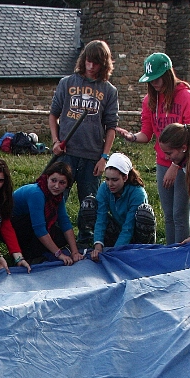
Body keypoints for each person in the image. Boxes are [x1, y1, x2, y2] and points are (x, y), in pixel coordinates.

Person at [116, 53, 190, 244]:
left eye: (157, 78)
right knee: (168, 214)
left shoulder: (187, 98)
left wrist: (176, 166)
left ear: (167, 75)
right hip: (162, 163)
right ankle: (170, 251)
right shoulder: (149, 100)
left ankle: (182, 252)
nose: (154, 83)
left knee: (180, 214)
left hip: (184, 163)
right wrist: (132, 137)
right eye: (150, 80)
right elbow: (146, 134)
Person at [49, 40, 119, 249]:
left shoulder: (109, 90)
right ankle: (55, 238)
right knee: (57, 197)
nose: (91, 66)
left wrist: (104, 157)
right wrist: (55, 141)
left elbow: (111, 127)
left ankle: (86, 241)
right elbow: (53, 115)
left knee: (89, 203)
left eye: (95, 63)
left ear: (103, 64)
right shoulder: (67, 83)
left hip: (92, 156)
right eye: (88, 61)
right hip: (66, 154)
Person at [11, 161, 83, 265]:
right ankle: (26, 254)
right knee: (40, 243)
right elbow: (39, 229)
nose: (56, 186)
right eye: (53, 180)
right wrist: (59, 254)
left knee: (61, 238)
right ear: (47, 178)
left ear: (67, 185)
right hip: (15, 225)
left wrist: (75, 252)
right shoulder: (36, 193)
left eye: (62, 183)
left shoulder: (58, 196)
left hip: (30, 223)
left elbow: (65, 222)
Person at [89, 153, 149, 260]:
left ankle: (144, 248)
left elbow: (129, 226)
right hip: (117, 228)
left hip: (136, 231)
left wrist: (115, 251)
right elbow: (101, 217)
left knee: (144, 213)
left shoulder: (138, 193)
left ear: (125, 177)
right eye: (107, 179)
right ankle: (98, 242)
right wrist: (98, 246)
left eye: (114, 180)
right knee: (89, 205)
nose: (110, 184)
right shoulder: (104, 188)